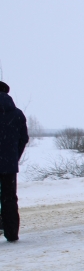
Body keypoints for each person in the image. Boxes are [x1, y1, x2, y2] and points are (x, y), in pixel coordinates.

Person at [0, 80, 29, 242]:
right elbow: (23, 138)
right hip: (9, 165)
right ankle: (11, 233)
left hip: (9, 161)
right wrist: (13, 156)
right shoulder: (17, 114)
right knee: (9, 198)